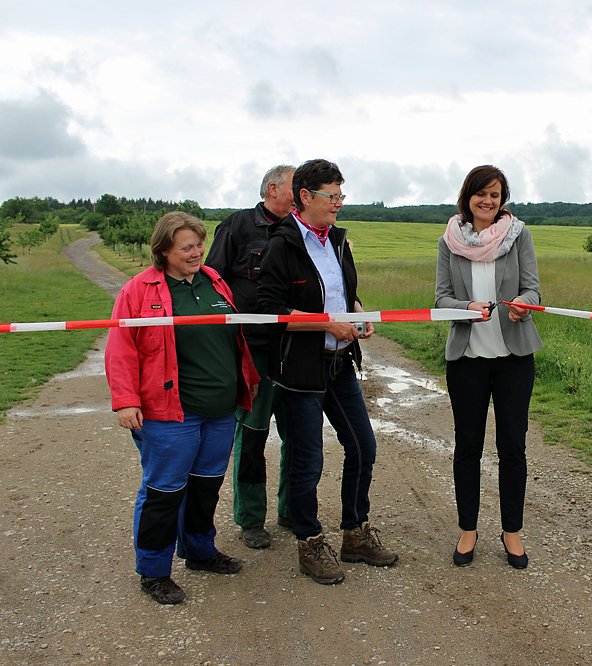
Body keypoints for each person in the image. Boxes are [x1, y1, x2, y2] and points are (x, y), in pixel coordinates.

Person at [105, 212, 260, 604]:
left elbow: (234, 338)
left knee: (206, 488)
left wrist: (248, 379)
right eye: (186, 248)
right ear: (163, 251)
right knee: (164, 492)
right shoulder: (138, 291)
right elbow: (120, 349)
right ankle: (154, 572)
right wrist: (126, 401)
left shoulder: (214, 281)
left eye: (198, 245)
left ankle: (199, 551)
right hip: (170, 414)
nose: (196, 253)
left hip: (220, 410)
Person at [257, 158, 397, 585]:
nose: (338, 203)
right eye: (331, 196)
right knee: (308, 460)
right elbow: (269, 311)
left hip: (339, 364)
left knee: (363, 447)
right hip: (300, 369)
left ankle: (355, 533)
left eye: (341, 195)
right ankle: (309, 541)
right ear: (305, 196)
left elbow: (344, 293)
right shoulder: (281, 245)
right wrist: (325, 324)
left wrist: (359, 313)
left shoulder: (337, 241)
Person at [435, 165, 543, 570]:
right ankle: (468, 529)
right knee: (468, 447)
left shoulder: (519, 235)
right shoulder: (448, 241)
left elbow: (533, 289)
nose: (488, 201)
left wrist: (523, 304)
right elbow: (441, 299)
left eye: (495, 195)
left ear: (502, 200)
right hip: (467, 361)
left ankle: (511, 531)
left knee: (513, 447)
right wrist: (466, 307)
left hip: (514, 359)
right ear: (468, 197)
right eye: (481, 193)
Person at [205, 164, 296, 549]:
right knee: (254, 435)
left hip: (296, 350)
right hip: (253, 351)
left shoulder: (302, 229)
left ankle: (293, 509)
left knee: (298, 435)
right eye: (295, 186)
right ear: (273, 189)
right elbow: (212, 282)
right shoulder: (237, 226)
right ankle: (250, 518)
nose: (302, 193)